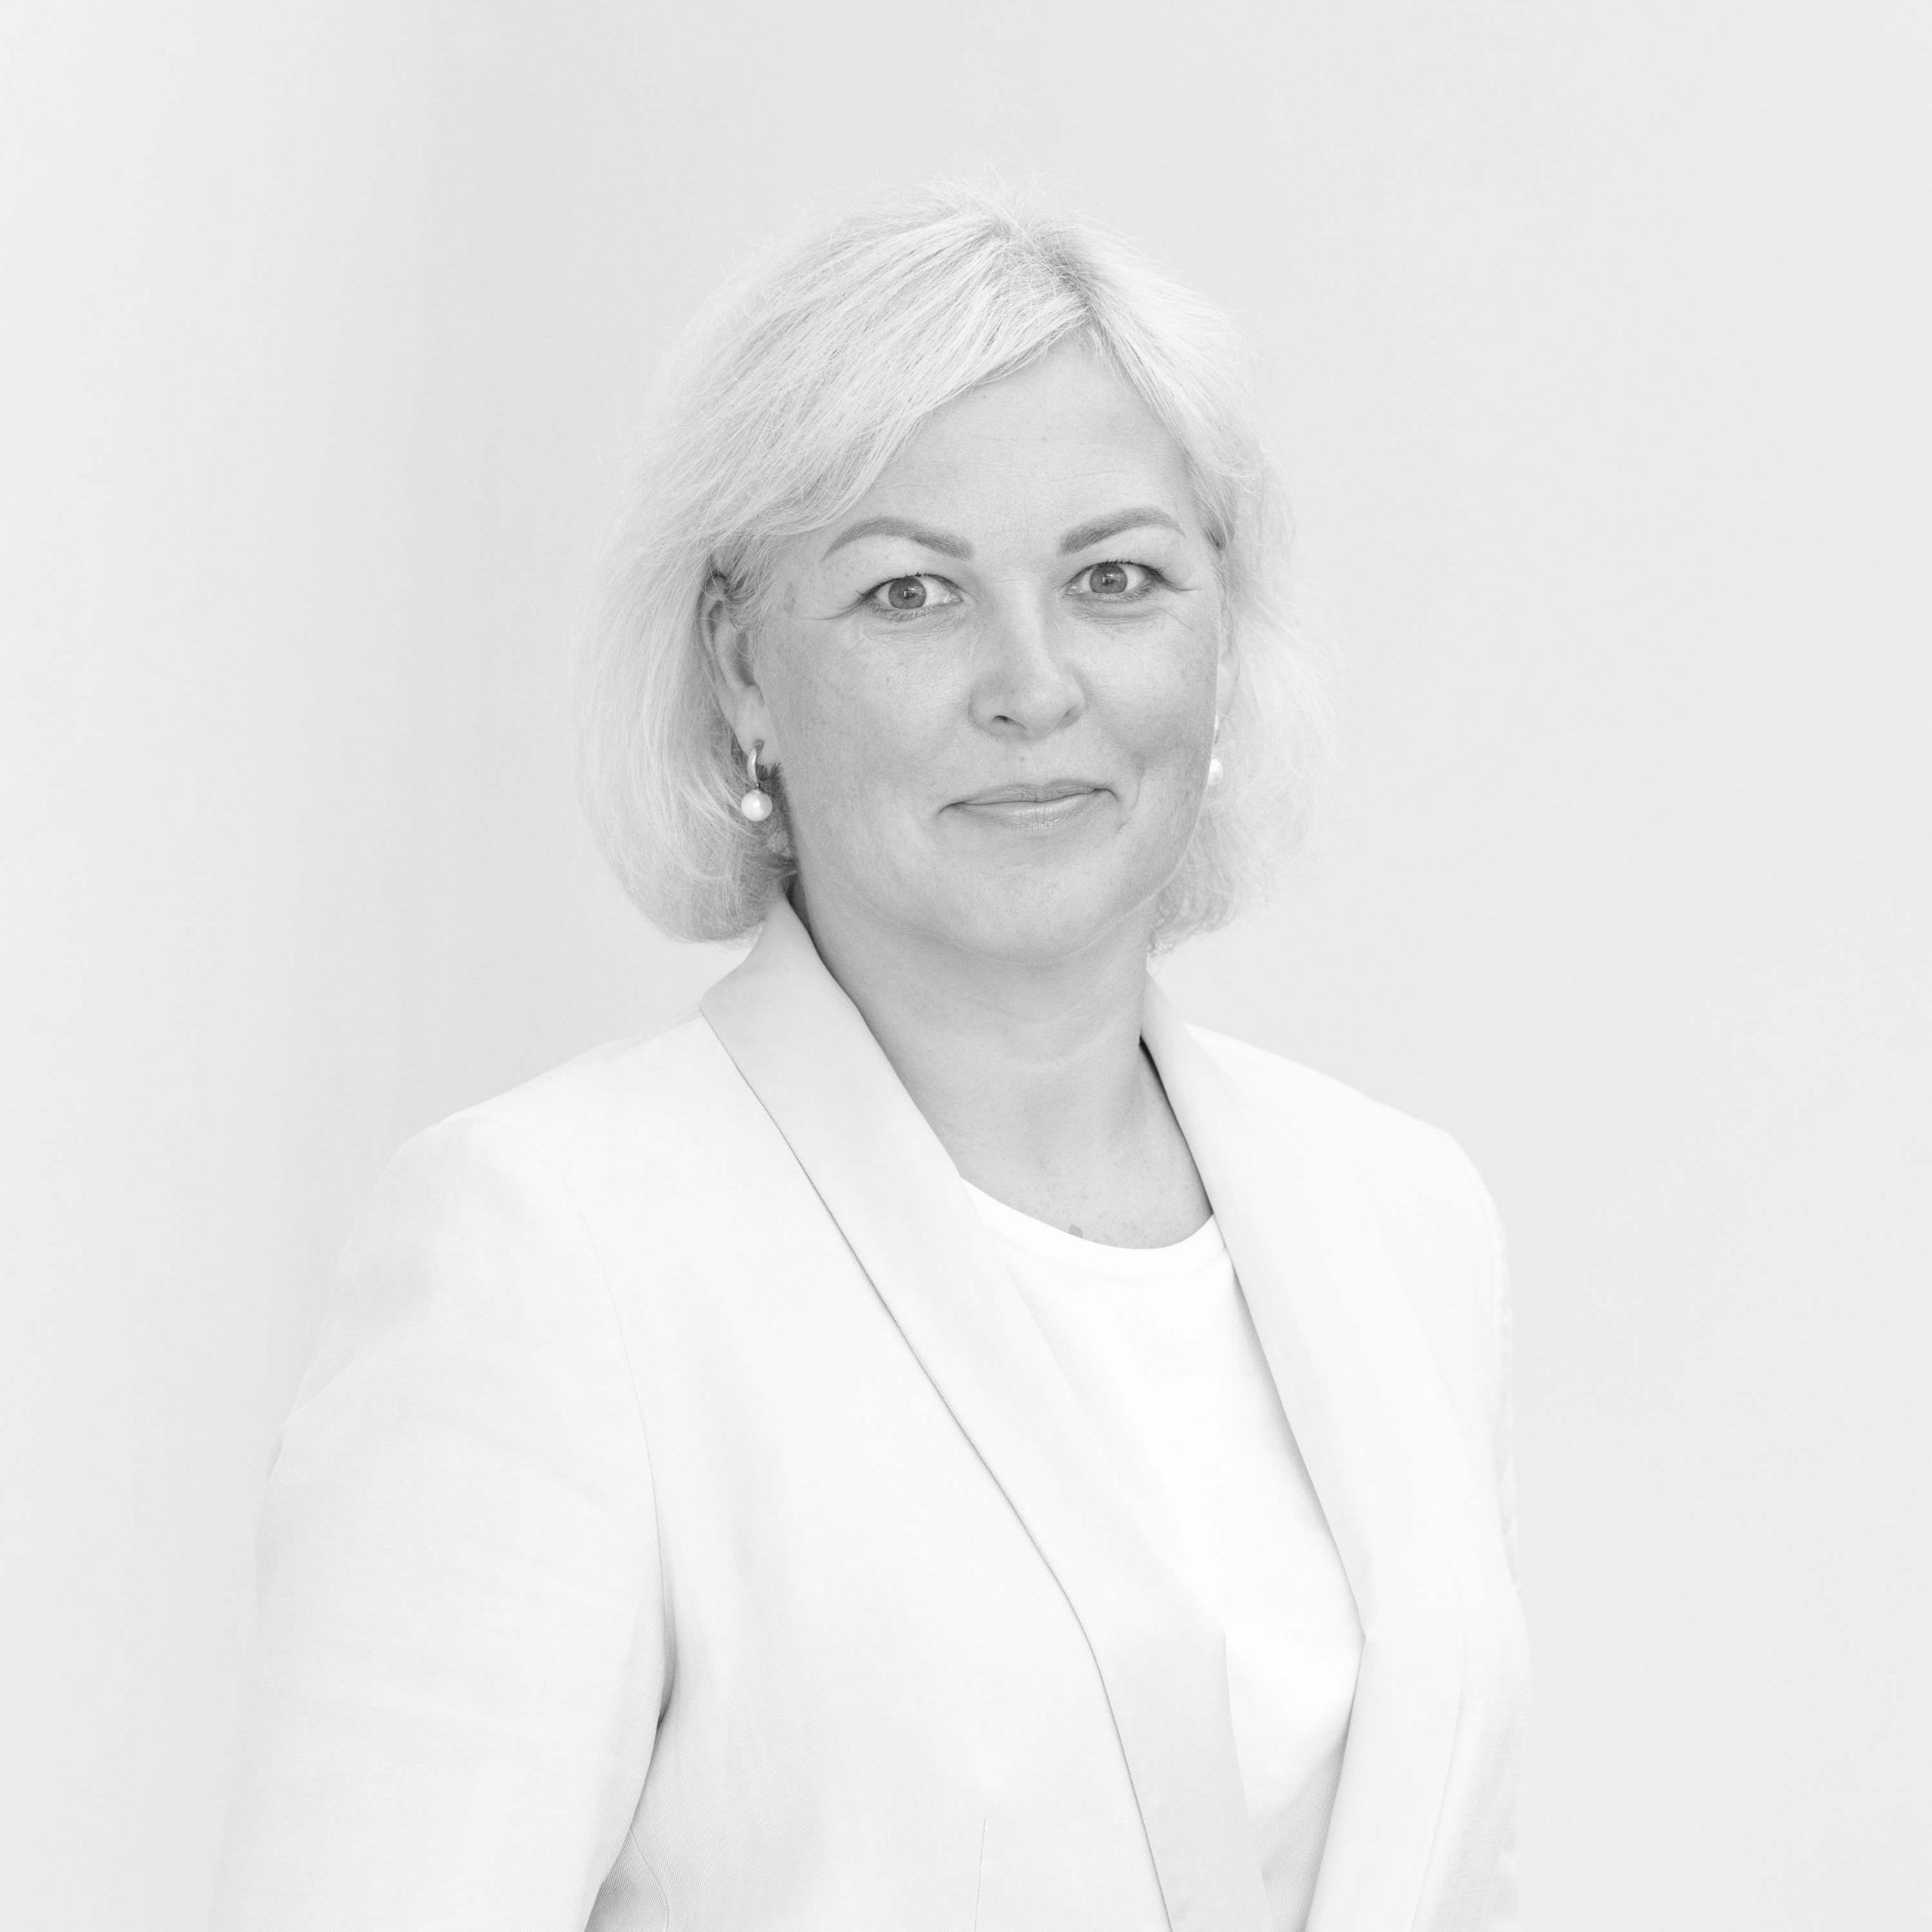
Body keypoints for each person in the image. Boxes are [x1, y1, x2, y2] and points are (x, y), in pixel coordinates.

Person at [211, 184, 1528, 1932]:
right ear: (741, 668)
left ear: (1222, 630)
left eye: (1115, 578)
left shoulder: (1399, 1216)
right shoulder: (549, 1249)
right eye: (909, 591)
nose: (1030, 681)